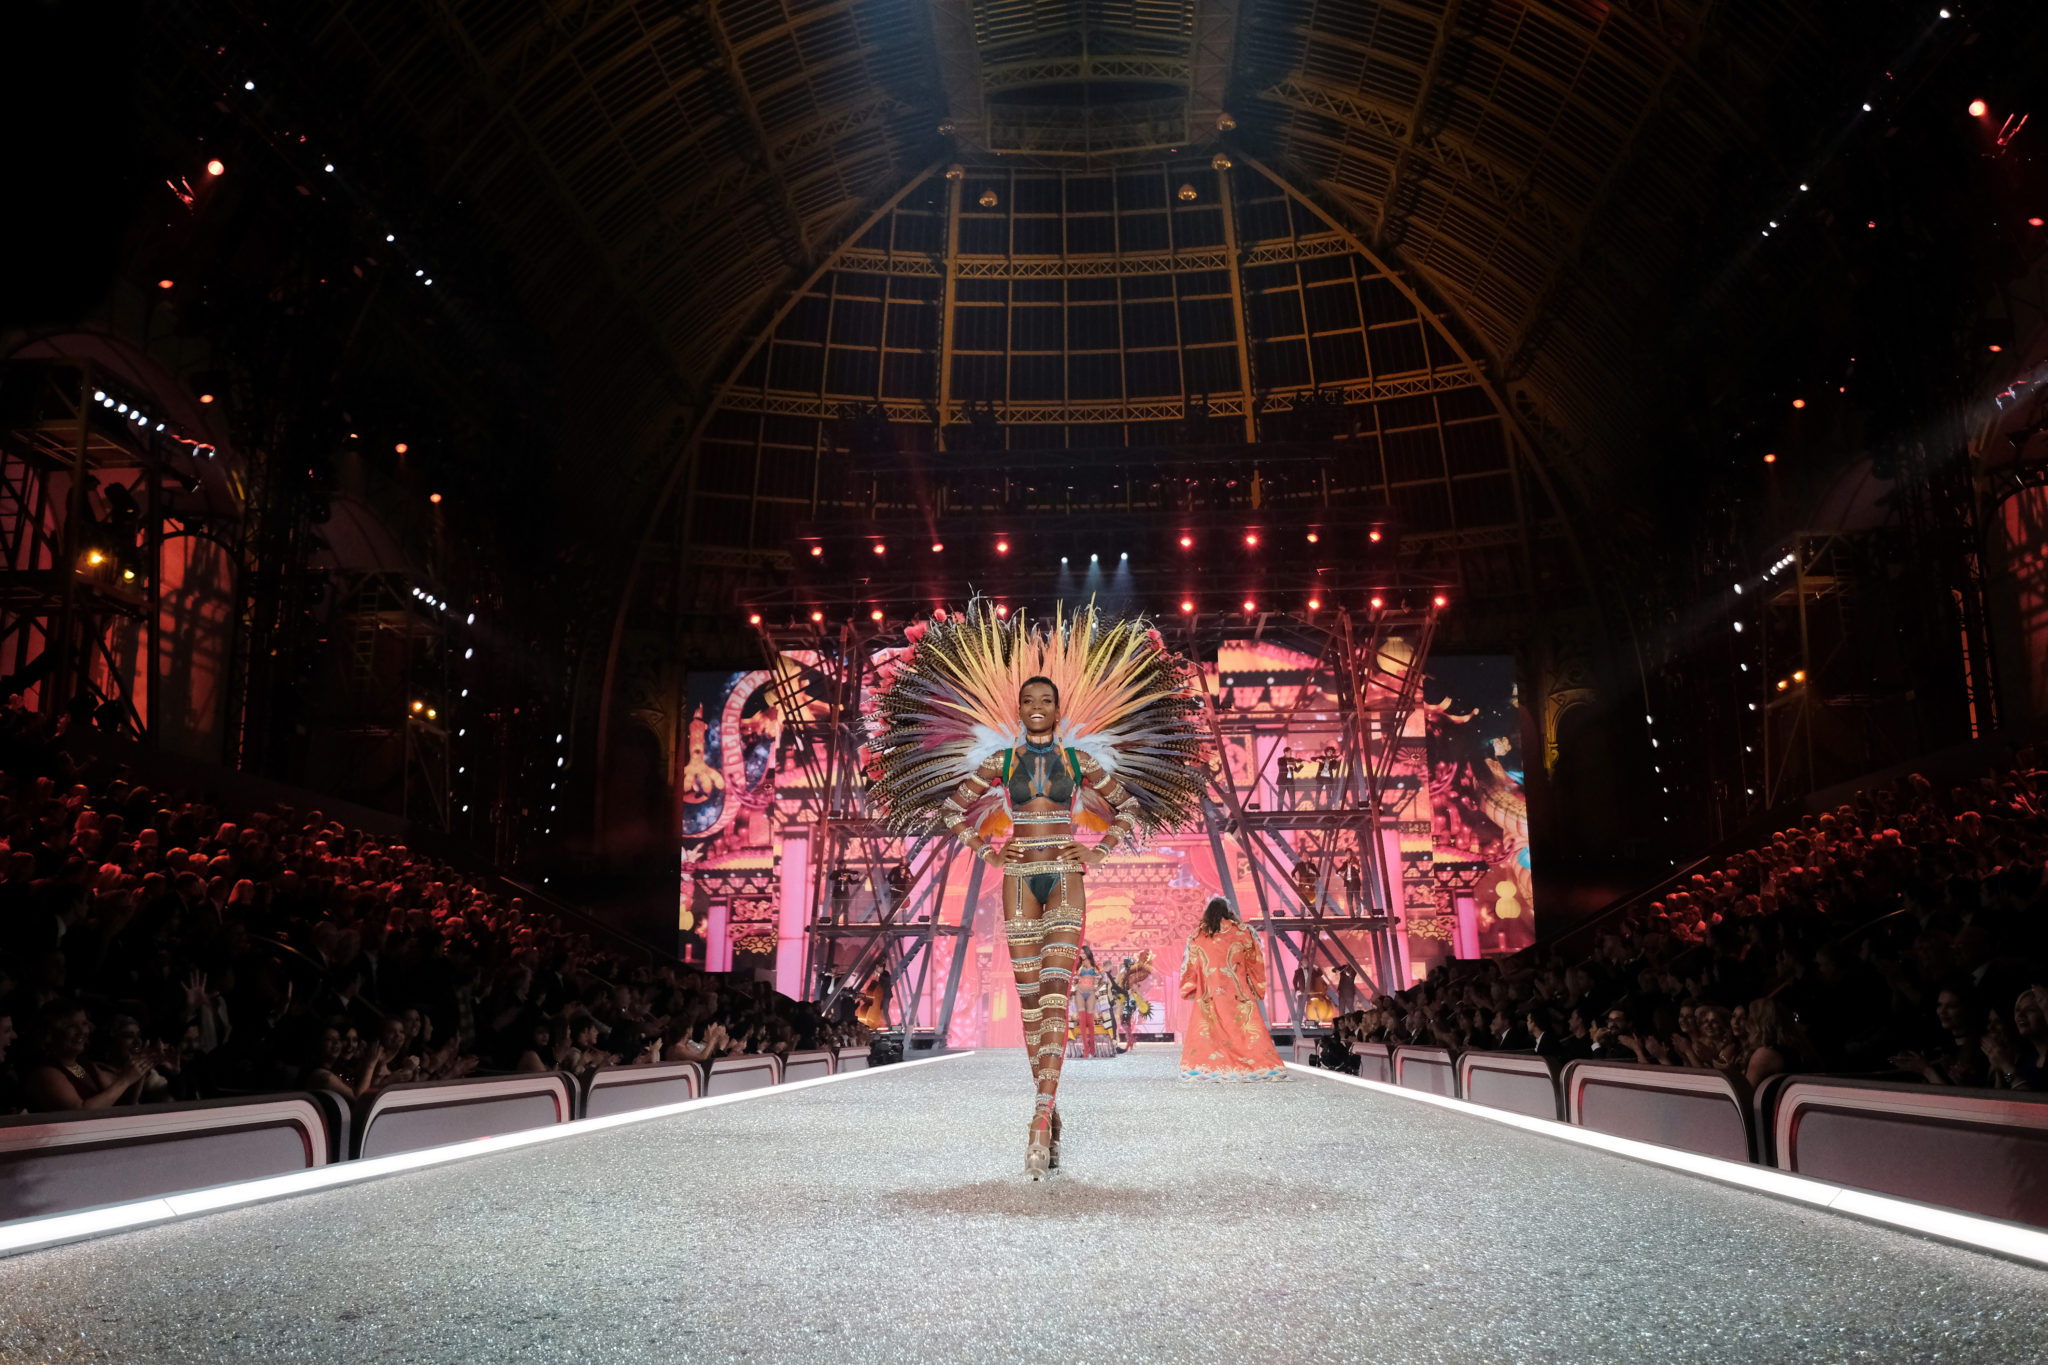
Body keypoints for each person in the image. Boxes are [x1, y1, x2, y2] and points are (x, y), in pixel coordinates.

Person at [866, 599, 1205, 1179]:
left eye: (1048, 700)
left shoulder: (1078, 763)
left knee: (1055, 997)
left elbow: (1124, 810)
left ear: (1058, 707)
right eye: (1031, 700)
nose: (1039, 707)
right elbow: (951, 812)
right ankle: (1050, 1113)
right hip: (1019, 878)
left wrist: (1095, 850)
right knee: (1030, 1010)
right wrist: (984, 848)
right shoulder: (998, 763)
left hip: (1066, 877)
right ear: (1019, 708)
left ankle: (1038, 1117)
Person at [1179, 897, 1286, 1081]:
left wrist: (1190, 988)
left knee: (1209, 1033)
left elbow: (1189, 966)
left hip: (1210, 994)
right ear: (1228, 911)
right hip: (1238, 993)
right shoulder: (1243, 932)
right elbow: (1255, 961)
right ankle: (1256, 1068)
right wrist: (1255, 986)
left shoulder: (1197, 936)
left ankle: (1209, 1069)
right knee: (1244, 1031)